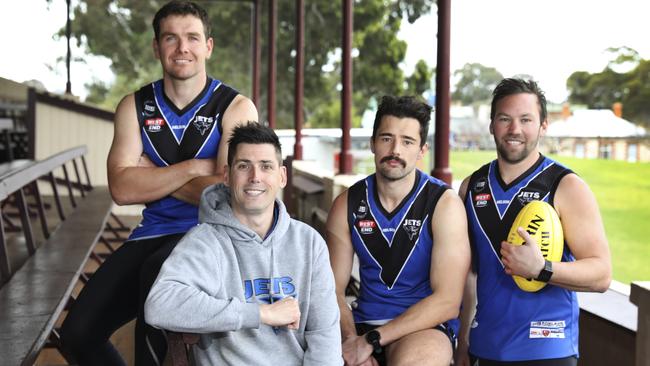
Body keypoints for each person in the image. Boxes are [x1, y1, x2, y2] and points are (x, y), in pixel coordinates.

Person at [60, 1, 257, 365]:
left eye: (193, 38)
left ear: (208, 46)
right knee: (77, 336)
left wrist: (152, 174)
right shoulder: (134, 106)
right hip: (150, 234)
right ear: (156, 47)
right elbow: (121, 189)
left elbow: (229, 194)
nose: (183, 48)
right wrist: (194, 169)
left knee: (156, 283)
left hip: (212, 237)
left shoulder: (235, 108)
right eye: (171, 38)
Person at [144, 122, 342, 365]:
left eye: (266, 166)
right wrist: (261, 314)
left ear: (282, 177)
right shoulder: (205, 242)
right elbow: (159, 305)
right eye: (243, 166)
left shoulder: (309, 243)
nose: (255, 177)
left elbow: (325, 336)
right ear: (227, 176)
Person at [455, 78, 612, 366]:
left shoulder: (566, 186)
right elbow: (469, 274)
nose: (515, 130)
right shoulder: (470, 187)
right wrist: (463, 339)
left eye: (526, 119)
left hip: (547, 349)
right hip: (485, 346)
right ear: (492, 124)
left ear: (543, 126)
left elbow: (601, 274)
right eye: (505, 119)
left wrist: (542, 269)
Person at [326, 96, 471, 366]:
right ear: (372, 143)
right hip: (362, 323)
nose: (395, 150)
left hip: (424, 327)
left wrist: (371, 341)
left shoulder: (443, 204)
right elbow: (331, 289)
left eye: (407, 141)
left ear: (421, 151)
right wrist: (350, 341)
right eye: (386, 138)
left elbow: (448, 300)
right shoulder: (347, 204)